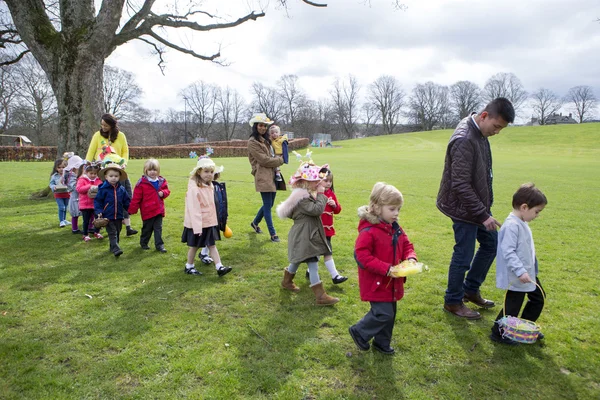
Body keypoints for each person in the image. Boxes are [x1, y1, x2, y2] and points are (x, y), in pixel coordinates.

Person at [437, 97, 515, 320]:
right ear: (484, 116)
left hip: (477, 207)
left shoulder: (480, 133)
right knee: (463, 255)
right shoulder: (464, 139)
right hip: (462, 208)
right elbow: (459, 184)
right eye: (496, 126)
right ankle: (452, 301)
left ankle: (470, 289)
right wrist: (483, 214)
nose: (497, 132)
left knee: (491, 243)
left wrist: (484, 209)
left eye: (501, 128)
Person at [349, 182, 417, 355]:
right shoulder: (369, 231)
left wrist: (410, 257)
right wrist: (387, 269)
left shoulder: (395, 228)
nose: (396, 213)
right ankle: (359, 331)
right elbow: (361, 256)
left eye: (398, 209)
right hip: (377, 282)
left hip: (392, 282)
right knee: (383, 314)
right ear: (377, 208)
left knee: (390, 315)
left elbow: (407, 244)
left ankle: (382, 343)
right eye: (392, 209)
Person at [491, 183, 547, 345]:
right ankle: (498, 333)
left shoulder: (519, 222)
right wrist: (520, 271)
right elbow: (508, 251)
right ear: (524, 207)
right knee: (512, 307)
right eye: (536, 212)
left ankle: (522, 328)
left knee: (538, 299)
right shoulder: (512, 225)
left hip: (528, 273)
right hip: (518, 275)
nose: (537, 215)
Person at [276, 161, 339, 306]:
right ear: (305, 182)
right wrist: (322, 196)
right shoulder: (302, 198)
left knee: (297, 260)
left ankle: (287, 281)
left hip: (307, 234)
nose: (318, 183)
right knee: (312, 262)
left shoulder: (307, 194)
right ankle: (320, 296)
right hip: (304, 235)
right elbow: (316, 210)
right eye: (314, 181)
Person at [86, 113, 138, 237]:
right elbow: (91, 151)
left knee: (124, 195)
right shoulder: (97, 135)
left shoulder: (121, 136)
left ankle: (127, 225)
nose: (103, 127)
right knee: (107, 197)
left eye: (105, 125)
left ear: (112, 125)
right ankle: (102, 224)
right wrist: (87, 164)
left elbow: (125, 151)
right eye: (102, 124)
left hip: (118, 169)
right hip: (104, 171)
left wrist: (124, 163)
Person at [182, 157, 232, 277]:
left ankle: (219, 267)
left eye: (211, 172)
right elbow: (194, 210)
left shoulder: (210, 186)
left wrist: (218, 220)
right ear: (199, 172)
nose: (209, 175)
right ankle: (189, 266)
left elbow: (213, 206)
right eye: (206, 171)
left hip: (209, 222)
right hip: (197, 225)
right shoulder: (194, 189)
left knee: (212, 245)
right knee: (194, 246)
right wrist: (197, 228)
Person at [307, 166, 347, 284]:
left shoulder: (331, 194)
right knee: (320, 252)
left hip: (327, 230)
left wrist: (335, 205)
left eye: (330, 181)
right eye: (326, 180)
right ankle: (332, 275)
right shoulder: (314, 194)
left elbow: (338, 210)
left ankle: (333, 275)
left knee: (326, 251)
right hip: (317, 229)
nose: (328, 183)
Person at [247, 113, 284, 242]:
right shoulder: (252, 142)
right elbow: (264, 160)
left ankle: (255, 222)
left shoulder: (267, 139)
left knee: (270, 204)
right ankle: (273, 234)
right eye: (260, 125)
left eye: (265, 126)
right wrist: (280, 160)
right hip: (262, 175)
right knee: (267, 205)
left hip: (272, 174)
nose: (262, 128)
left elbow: (274, 152)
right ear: (256, 126)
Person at [128, 159, 170, 253]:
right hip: (147, 211)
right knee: (147, 229)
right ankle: (144, 242)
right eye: (150, 170)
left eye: (155, 170)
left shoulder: (161, 181)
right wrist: (132, 209)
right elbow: (136, 198)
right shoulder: (141, 183)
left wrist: (163, 193)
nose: (152, 172)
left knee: (158, 229)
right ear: (145, 170)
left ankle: (160, 245)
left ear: (158, 171)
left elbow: (167, 190)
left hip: (158, 210)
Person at [94, 163, 131, 257]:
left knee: (118, 232)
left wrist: (130, 209)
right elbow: (98, 201)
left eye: (116, 176)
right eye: (111, 176)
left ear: (119, 177)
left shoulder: (121, 189)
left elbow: (126, 201)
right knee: (112, 232)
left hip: (118, 215)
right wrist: (99, 211)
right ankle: (116, 249)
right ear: (106, 177)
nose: (113, 178)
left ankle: (113, 247)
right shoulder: (103, 189)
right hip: (107, 216)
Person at [198, 165, 227, 265]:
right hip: (208, 217)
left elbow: (222, 202)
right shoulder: (203, 187)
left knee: (211, 238)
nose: (210, 175)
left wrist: (223, 217)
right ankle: (203, 255)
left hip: (216, 216)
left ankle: (204, 253)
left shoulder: (217, 186)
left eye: (213, 173)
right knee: (208, 238)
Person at [76, 162, 104, 242]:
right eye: (91, 173)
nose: (93, 175)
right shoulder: (82, 179)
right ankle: (85, 234)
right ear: (86, 172)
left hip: (96, 205)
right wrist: (89, 186)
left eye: (95, 173)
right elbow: (79, 189)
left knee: (97, 219)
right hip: (85, 205)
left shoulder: (99, 180)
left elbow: (102, 189)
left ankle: (97, 232)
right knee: (86, 221)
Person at [64, 155, 84, 233]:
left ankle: (88, 226)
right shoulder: (71, 176)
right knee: (75, 214)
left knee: (83, 212)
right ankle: (74, 229)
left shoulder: (79, 174)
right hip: (75, 198)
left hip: (80, 197)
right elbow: (73, 187)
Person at [49, 158, 69, 227]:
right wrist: (53, 187)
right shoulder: (54, 176)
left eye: (63, 167)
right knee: (61, 207)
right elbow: (51, 184)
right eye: (59, 167)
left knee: (66, 207)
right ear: (56, 168)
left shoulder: (68, 175)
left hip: (66, 193)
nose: (61, 169)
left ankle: (64, 219)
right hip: (58, 194)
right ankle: (61, 221)